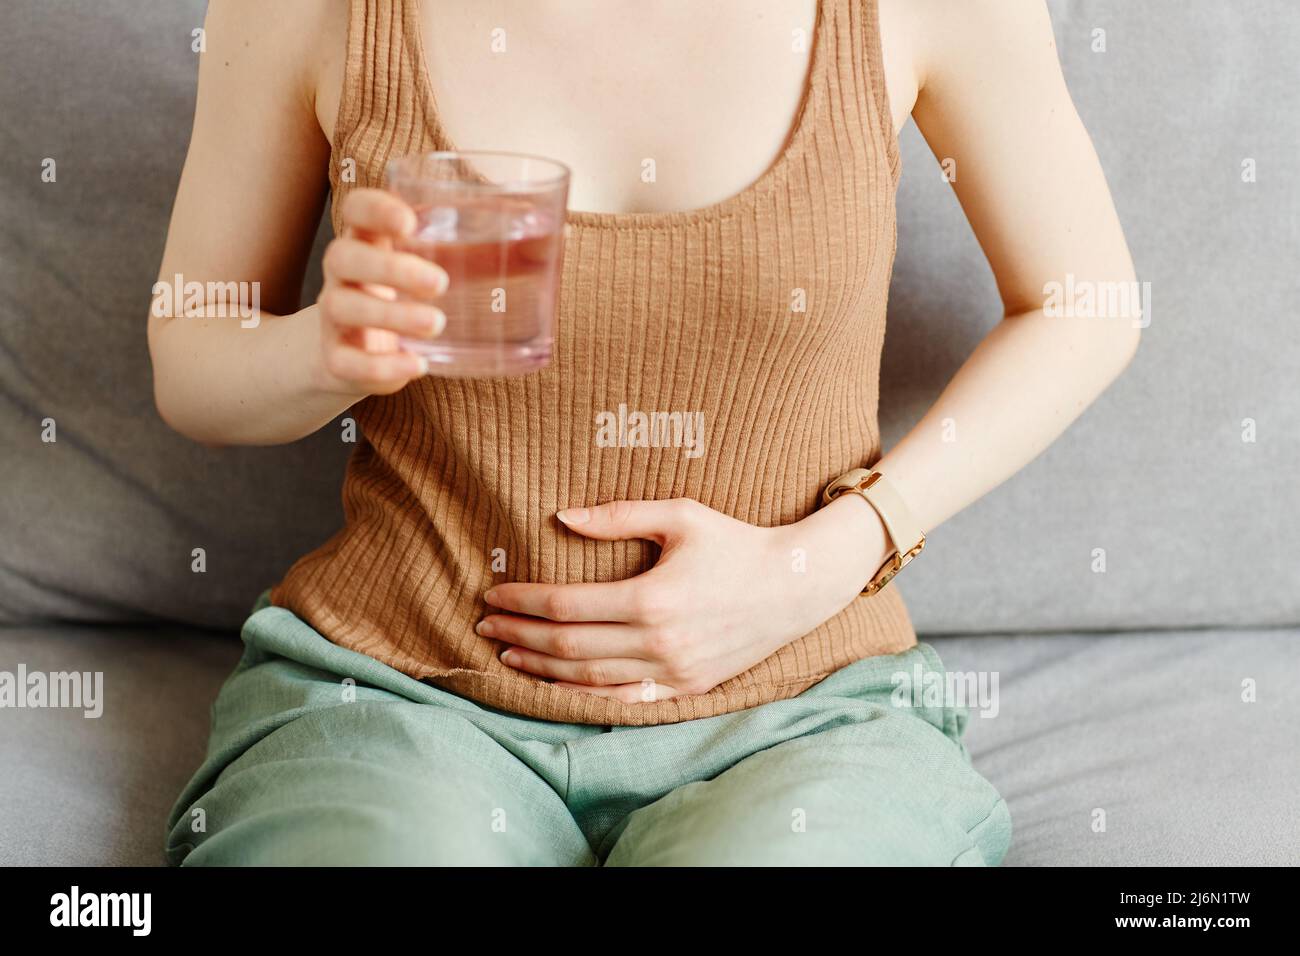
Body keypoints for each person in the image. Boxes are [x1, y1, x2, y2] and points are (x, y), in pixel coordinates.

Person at [153, 0, 1140, 866]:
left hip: (805, 709)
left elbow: (1086, 304)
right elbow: (192, 366)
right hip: (395, 696)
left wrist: (831, 552)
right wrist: (326, 353)